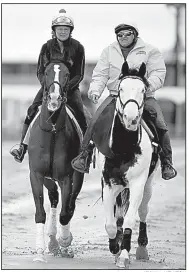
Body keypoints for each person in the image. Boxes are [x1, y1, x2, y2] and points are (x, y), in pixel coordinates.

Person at [71, 22, 177, 180]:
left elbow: (159, 72)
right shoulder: (108, 51)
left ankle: (166, 162)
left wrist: (147, 86)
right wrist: (95, 90)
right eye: (120, 35)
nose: (123, 37)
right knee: (95, 120)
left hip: (143, 96)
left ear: (135, 34)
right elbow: (100, 74)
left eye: (128, 34)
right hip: (115, 95)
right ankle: (84, 156)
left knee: (160, 123)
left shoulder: (150, 51)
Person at [10, 9, 87, 163]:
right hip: (49, 87)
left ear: (70, 31)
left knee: (81, 113)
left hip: (70, 89)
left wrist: (65, 88)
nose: (63, 32)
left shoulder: (78, 47)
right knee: (31, 110)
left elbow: (79, 74)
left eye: (66, 29)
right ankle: (22, 147)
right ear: (54, 30)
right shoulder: (46, 47)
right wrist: (49, 87)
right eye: (60, 29)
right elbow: (40, 71)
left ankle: (85, 152)